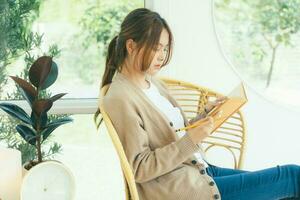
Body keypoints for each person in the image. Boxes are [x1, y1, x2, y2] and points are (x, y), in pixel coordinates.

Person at [96, 8, 300, 200]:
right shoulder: (120, 97)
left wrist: (204, 116)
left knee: (285, 190)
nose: (162, 56)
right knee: (292, 176)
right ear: (130, 46)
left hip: (200, 171)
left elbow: (171, 134)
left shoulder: (152, 83)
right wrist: (191, 140)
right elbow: (140, 168)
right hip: (181, 187)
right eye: (155, 48)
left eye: (165, 49)